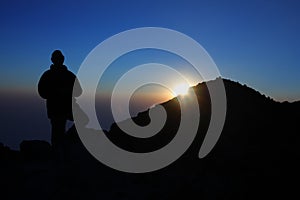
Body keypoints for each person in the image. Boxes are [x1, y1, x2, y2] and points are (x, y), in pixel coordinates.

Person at [38, 50, 82, 149]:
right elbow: (79, 91)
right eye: (58, 58)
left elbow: (79, 91)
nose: (58, 60)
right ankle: (61, 152)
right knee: (58, 130)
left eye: (59, 58)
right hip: (60, 109)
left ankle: (62, 149)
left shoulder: (50, 75)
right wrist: (60, 92)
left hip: (60, 108)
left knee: (57, 131)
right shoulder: (68, 75)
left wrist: (60, 92)